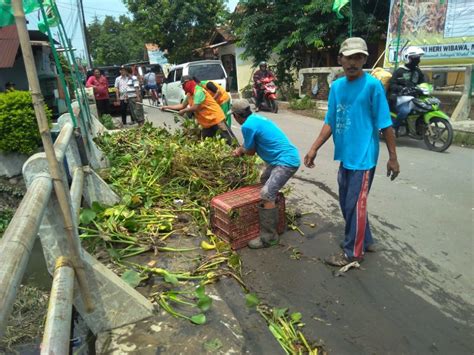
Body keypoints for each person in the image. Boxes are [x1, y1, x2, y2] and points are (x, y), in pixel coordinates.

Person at [304, 37, 400, 267]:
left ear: (365, 59)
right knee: (350, 202)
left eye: (359, 57)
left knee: (354, 203)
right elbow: (330, 121)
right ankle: (365, 239)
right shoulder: (337, 87)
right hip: (345, 156)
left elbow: (385, 124)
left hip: (364, 156)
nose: (353, 62)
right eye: (349, 57)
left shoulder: (372, 86)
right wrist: (314, 148)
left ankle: (352, 253)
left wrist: (393, 158)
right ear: (340, 59)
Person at [231, 99, 300, 249]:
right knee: (264, 180)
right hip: (280, 160)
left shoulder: (247, 126)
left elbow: (250, 151)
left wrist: (239, 151)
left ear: (236, 116)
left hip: (285, 162)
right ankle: (275, 214)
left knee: (266, 193)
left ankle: (269, 237)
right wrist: (243, 148)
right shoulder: (255, 118)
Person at [161, 75, 233, 145]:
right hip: (207, 123)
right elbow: (182, 105)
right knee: (207, 143)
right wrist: (166, 107)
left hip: (216, 119)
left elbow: (195, 107)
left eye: (183, 85)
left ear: (188, 83)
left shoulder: (199, 91)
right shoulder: (189, 95)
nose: (183, 88)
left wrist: (184, 111)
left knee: (228, 140)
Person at [388, 46, 425, 127]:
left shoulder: (417, 71)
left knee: (425, 108)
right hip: (400, 98)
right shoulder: (399, 71)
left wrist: (426, 87)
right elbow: (392, 84)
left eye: (418, 58)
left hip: (413, 98)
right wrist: (402, 88)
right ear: (407, 58)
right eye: (415, 58)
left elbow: (423, 82)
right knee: (405, 111)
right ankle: (393, 128)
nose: (418, 60)